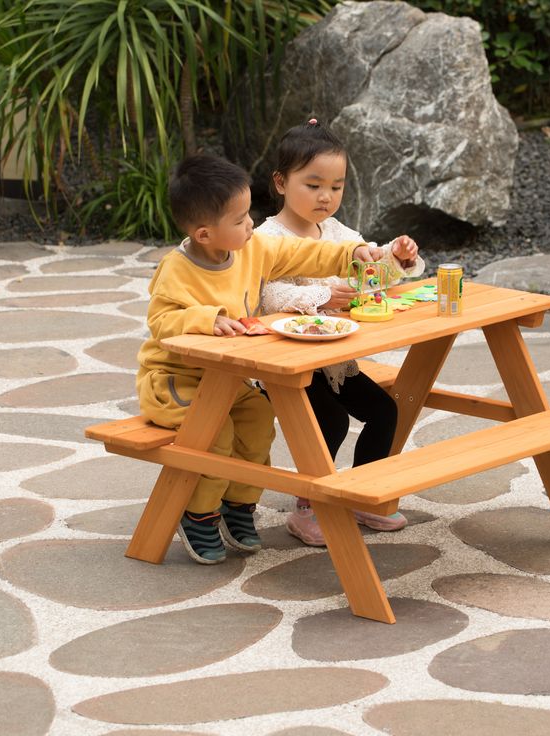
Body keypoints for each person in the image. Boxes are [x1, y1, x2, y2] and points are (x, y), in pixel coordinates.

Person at [136, 152, 402, 565]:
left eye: (249, 214)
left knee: (259, 424)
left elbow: (304, 255)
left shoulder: (253, 248)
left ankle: (239, 506)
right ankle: (199, 513)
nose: (250, 224)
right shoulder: (177, 269)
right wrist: (207, 318)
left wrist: (353, 253)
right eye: (240, 219)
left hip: (231, 378)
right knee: (216, 435)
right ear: (205, 234)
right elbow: (162, 320)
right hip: (176, 381)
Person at [257, 119, 425, 546]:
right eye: (313, 185)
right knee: (328, 421)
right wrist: (325, 293)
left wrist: (395, 258)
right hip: (283, 362)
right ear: (281, 182)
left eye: (336, 186)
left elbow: (369, 272)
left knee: (385, 410)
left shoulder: (339, 234)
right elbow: (269, 295)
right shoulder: (264, 238)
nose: (325, 197)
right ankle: (309, 504)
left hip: (333, 358)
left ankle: (366, 495)